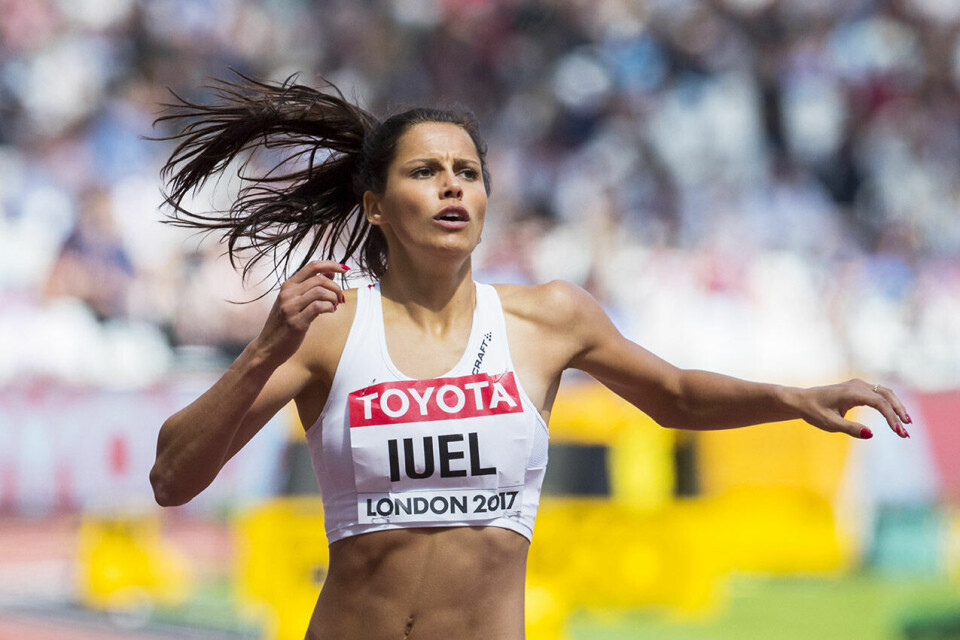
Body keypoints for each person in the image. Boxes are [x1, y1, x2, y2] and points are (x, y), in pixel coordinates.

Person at [149, 75, 911, 640]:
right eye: (424, 172)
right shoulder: (326, 329)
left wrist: (794, 398)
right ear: (375, 205)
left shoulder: (548, 319)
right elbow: (171, 478)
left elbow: (675, 393)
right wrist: (263, 352)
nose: (452, 187)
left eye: (468, 173)